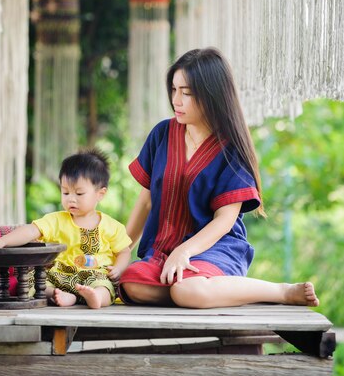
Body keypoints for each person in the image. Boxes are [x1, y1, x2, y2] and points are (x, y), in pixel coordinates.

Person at [119, 47, 319, 309]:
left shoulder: (231, 149)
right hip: (163, 250)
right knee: (131, 283)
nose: (176, 100)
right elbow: (146, 202)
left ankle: (280, 291)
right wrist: (120, 250)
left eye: (186, 93)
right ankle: (200, 292)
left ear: (211, 95)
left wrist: (184, 252)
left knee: (187, 290)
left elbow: (225, 220)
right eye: (174, 90)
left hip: (215, 249)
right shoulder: (162, 134)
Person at [0, 149, 132, 309]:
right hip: (60, 275)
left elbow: (124, 251)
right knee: (32, 282)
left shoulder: (112, 226)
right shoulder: (56, 220)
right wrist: (3, 241)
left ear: (100, 194)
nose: (71, 199)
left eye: (79, 193)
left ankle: (95, 297)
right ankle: (59, 295)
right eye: (65, 192)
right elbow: (30, 230)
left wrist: (118, 268)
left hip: (94, 275)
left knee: (105, 286)